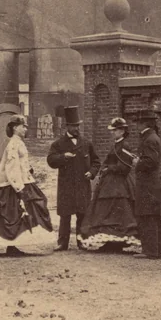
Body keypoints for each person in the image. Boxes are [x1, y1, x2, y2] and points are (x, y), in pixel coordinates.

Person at [0, 115, 55, 256]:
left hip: (24, 180)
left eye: (25, 126)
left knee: (21, 214)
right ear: (14, 127)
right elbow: (11, 168)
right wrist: (19, 188)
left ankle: (14, 245)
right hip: (16, 184)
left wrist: (28, 170)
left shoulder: (19, 143)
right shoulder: (13, 144)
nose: (25, 129)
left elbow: (21, 164)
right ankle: (11, 246)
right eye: (23, 126)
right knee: (13, 214)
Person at [77, 117, 143, 253]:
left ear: (122, 131)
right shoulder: (117, 144)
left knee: (117, 213)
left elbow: (125, 168)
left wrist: (109, 168)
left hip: (119, 185)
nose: (112, 133)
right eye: (112, 130)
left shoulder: (124, 146)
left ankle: (116, 243)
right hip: (110, 184)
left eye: (115, 130)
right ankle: (109, 242)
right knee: (106, 212)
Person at [47, 106, 100, 251]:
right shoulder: (58, 144)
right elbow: (50, 160)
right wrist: (63, 157)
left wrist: (92, 172)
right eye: (74, 126)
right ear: (68, 127)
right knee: (65, 215)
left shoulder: (86, 143)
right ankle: (62, 243)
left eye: (78, 126)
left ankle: (82, 241)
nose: (77, 129)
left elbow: (96, 161)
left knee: (82, 214)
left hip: (83, 184)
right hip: (66, 185)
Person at [133, 111, 161, 259]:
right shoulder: (152, 138)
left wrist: (137, 163)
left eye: (138, 122)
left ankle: (150, 251)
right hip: (152, 184)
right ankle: (156, 251)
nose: (136, 125)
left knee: (148, 217)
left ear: (144, 123)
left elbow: (151, 162)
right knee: (153, 217)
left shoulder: (149, 140)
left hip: (148, 185)